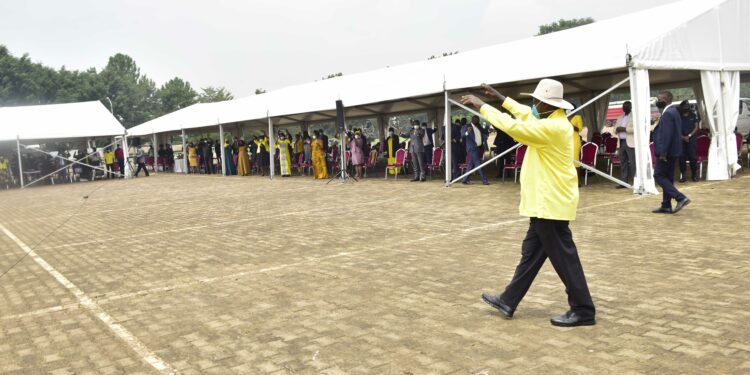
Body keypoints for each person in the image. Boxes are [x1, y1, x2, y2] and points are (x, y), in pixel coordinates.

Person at [463, 79, 595, 327]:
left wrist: (483, 106)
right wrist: (501, 98)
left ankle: (583, 310)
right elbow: (524, 114)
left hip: (550, 204)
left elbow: (515, 127)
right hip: (545, 204)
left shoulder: (553, 129)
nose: (532, 104)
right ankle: (508, 300)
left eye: (536, 101)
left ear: (546, 104)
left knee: (565, 259)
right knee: (530, 254)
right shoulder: (551, 120)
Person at [653, 91, 691, 213]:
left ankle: (680, 198)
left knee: (658, 175)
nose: (657, 101)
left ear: (665, 99)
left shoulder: (668, 113)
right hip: (673, 151)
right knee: (668, 178)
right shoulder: (674, 111)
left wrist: (663, 153)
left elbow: (667, 135)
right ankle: (666, 205)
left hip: (667, 152)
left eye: (659, 98)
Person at [461, 115, 489, 185]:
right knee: (478, 163)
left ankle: (465, 179)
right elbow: (463, 135)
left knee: (471, 164)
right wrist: (467, 132)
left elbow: (484, 131)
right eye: (477, 120)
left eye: (478, 120)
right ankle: (484, 180)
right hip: (472, 148)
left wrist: (488, 129)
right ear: (473, 120)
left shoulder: (478, 126)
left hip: (478, 147)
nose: (478, 121)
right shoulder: (467, 126)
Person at [614, 101, 636, 187]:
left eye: (627, 106)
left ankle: (636, 181)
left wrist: (624, 129)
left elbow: (636, 129)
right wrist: (617, 129)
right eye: (623, 106)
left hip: (630, 142)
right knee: (623, 162)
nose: (625, 107)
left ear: (630, 107)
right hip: (621, 142)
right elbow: (614, 129)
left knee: (633, 163)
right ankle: (624, 182)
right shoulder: (619, 117)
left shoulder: (634, 116)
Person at [678, 100, 700, 182]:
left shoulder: (693, 115)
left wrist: (689, 136)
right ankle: (683, 176)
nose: (685, 108)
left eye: (687, 106)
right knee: (681, 158)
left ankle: (694, 175)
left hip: (691, 139)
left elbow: (696, 127)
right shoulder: (678, 116)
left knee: (693, 158)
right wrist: (683, 137)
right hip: (681, 139)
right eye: (684, 107)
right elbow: (676, 128)